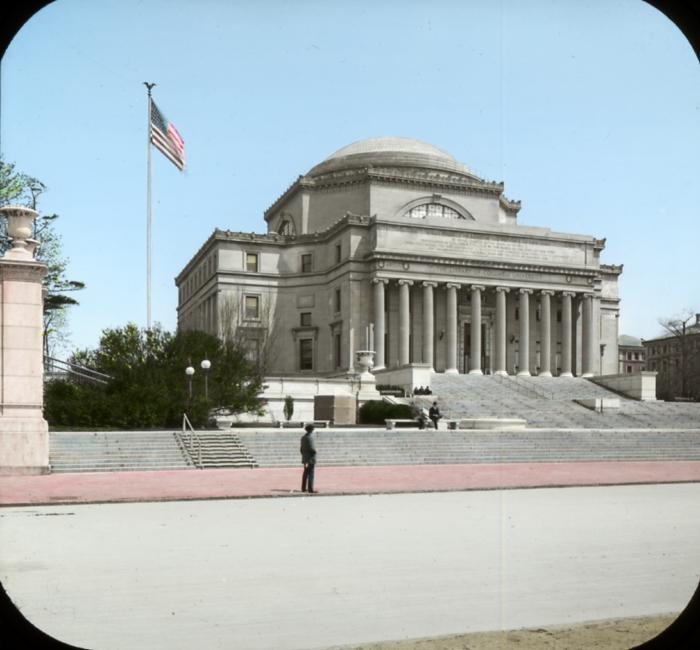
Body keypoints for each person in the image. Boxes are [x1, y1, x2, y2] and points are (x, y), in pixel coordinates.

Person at [300, 423, 317, 493]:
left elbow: (301, 449)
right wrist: (315, 451)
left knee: (305, 473)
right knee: (311, 473)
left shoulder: (303, 438)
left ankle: (303, 488)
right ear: (312, 430)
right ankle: (310, 488)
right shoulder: (310, 437)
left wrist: (304, 455)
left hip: (305, 458)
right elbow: (312, 448)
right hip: (310, 459)